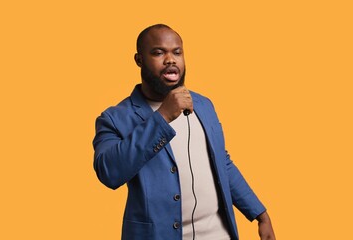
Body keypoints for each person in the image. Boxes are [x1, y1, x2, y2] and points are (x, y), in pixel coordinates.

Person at [93, 24, 276, 240]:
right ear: (139, 60)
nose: (170, 59)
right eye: (158, 52)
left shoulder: (204, 105)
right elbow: (109, 172)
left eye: (177, 52)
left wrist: (260, 214)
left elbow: (222, 163)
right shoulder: (114, 118)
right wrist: (162, 117)